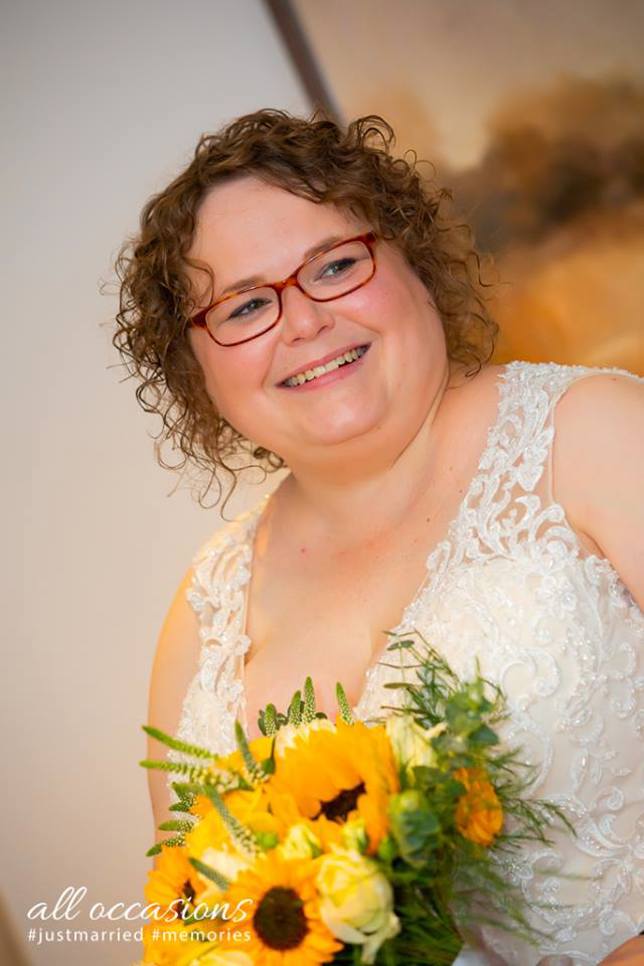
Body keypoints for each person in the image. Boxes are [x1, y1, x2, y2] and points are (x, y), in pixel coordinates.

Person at [113, 110, 644, 964]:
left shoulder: (595, 436)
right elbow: (202, 933)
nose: (303, 322)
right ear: (197, 366)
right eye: (246, 304)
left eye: (332, 265)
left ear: (410, 261)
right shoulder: (203, 611)